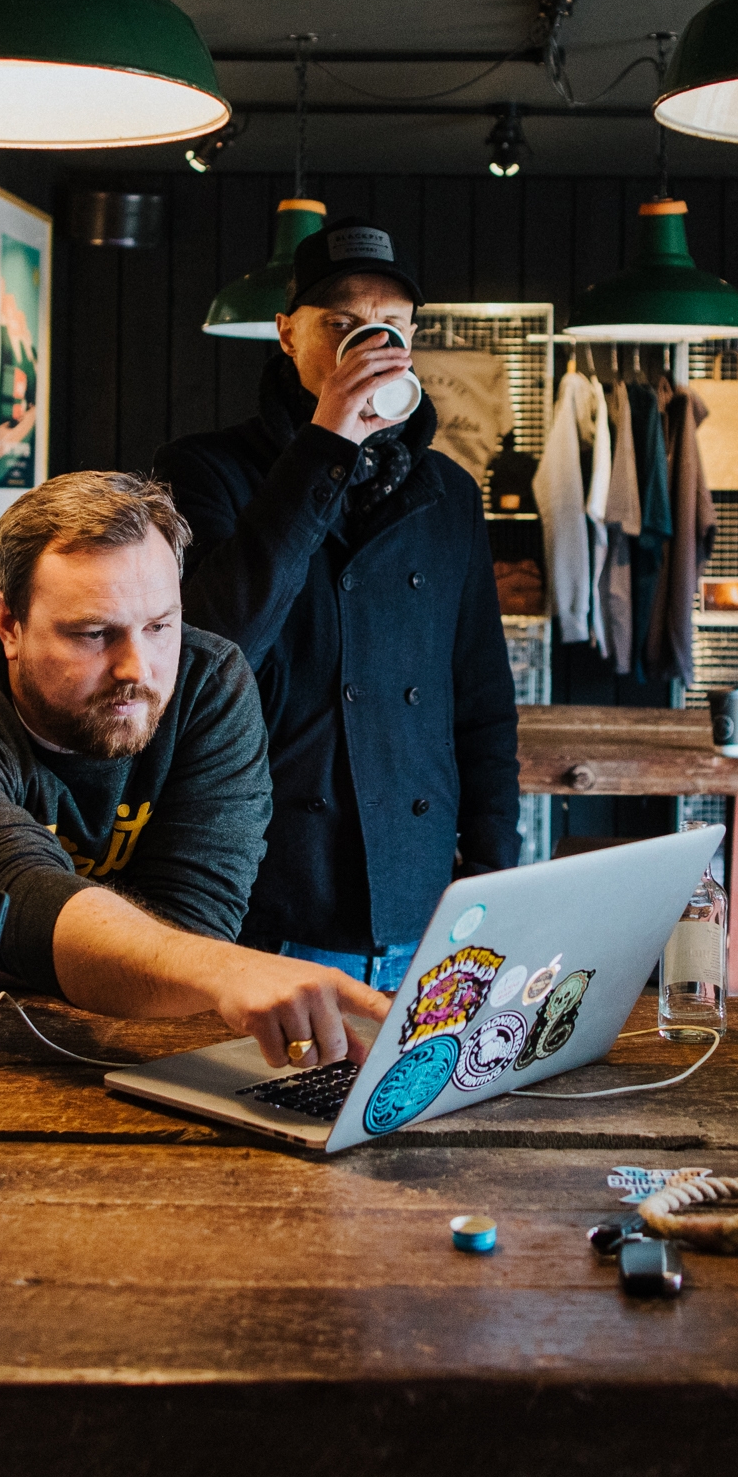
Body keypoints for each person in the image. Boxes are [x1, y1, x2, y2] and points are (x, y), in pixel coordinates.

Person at [0, 470, 392, 1066]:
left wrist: (180, 963)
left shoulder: (206, 684)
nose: (137, 668)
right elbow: (17, 902)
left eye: (160, 626)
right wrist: (215, 969)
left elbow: (195, 929)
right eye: (94, 634)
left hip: (147, 1053)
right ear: (9, 625)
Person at [154, 215, 520, 990]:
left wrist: (490, 878)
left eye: (392, 325)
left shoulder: (449, 493)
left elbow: (482, 702)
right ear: (287, 335)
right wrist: (328, 443)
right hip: (270, 902)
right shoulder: (206, 471)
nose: (372, 343)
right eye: (342, 324)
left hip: (422, 909)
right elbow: (215, 645)